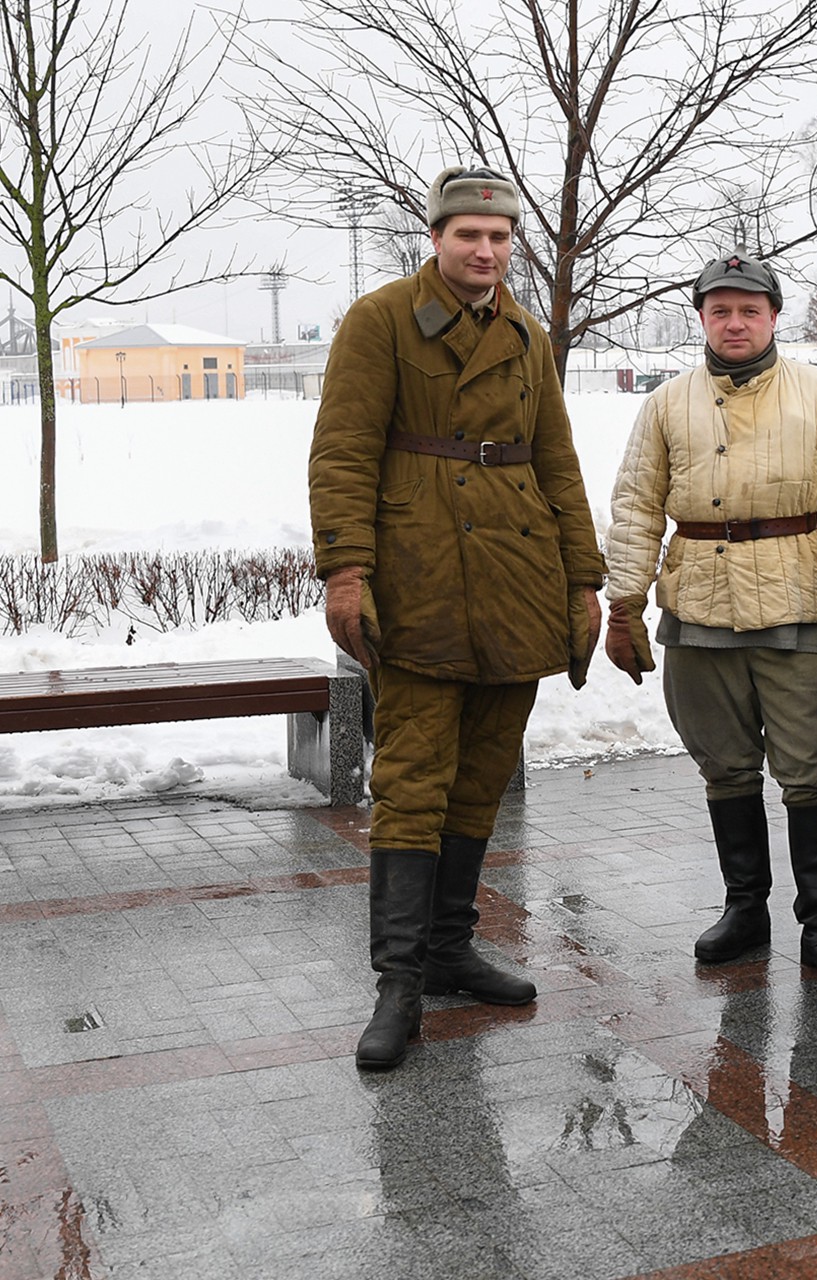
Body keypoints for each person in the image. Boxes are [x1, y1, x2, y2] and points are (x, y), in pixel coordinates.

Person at [309, 165, 606, 1071]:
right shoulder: (381, 320)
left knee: (479, 780)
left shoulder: (523, 331)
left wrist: (583, 580)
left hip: (515, 576)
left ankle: (448, 949)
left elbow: (555, 458)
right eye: (469, 235)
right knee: (411, 781)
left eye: (500, 237)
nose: (486, 250)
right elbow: (345, 449)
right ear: (435, 237)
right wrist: (346, 571)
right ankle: (398, 984)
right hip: (423, 574)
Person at [601, 253, 817, 990]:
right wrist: (624, 604)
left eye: (749, 311)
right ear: (702, 318)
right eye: (720, 311)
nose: (734, 323)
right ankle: (746, 910)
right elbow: (637, 505)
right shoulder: (667, 404)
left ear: (773, 316)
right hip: (697, 606)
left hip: (791, 602)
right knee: (725, 765)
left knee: (809, 767)